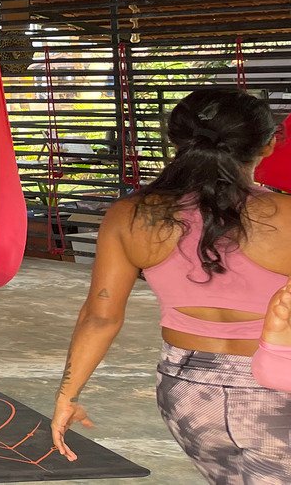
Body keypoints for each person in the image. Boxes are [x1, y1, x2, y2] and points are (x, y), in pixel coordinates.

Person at [51, 87, 291, 482]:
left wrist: (67, 396)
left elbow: (100, 317)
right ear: (268, 145)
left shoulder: (130, 215)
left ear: (176, 140)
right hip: (277, 392)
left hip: (187, 394)